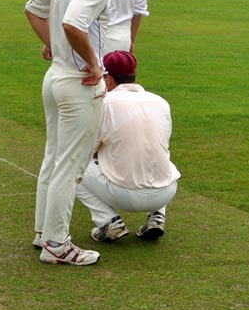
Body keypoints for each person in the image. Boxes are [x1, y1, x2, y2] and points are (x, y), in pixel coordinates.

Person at [24, 0, 123, 266]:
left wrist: (52, 45)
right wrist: (95, 65)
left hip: (55, 78)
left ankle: (43, 232)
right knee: (71, 165)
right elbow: (72, 24)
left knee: (54, 157)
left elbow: (33, 9)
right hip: (78, 84)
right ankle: (56, 244)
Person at [76, 50, 180, 242]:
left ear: (108, 79)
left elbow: (86, 150)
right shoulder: (161, 102)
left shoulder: (104, 103)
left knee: (72, 166)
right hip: (166, 192)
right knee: (157, 157)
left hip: (123, 194)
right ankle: (157, 216)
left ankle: (109, 222)